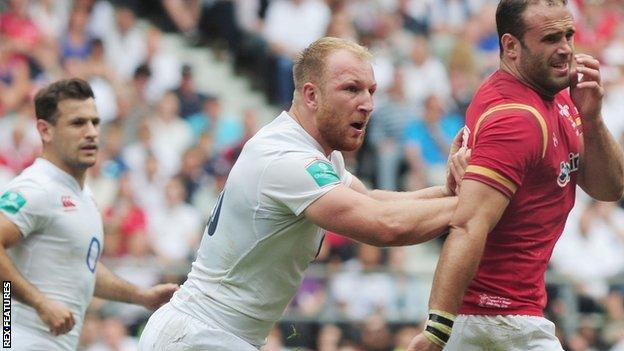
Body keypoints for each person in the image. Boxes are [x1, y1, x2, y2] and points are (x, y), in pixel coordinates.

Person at [138, 37, 469, 350]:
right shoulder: (289, 160)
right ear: (311, 95)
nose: (367, 104)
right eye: (352, 89)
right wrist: (479, 200)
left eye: (371, 91)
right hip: (198, 337)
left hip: (213, 334)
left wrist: (446, 191)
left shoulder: (314, 153)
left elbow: (372, 201)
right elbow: (384, 225)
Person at [408, 1, 624, 350]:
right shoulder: (517, 118)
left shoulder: (560, 99)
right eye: (551, 38)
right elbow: (468, 224)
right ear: (510, 46)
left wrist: (594, 119)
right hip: (497, 324)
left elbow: (610, 187)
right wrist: (436, 331)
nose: (566, 48)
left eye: (568, 34)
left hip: (509, 320)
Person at [0, 78, 179, 351]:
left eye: (95, 122)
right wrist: (39, 304)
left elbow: (85, 270)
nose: (91, 132)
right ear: (45, 131)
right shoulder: (36, 187)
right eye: (77, 123)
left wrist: (142, 297)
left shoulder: (83, 196)